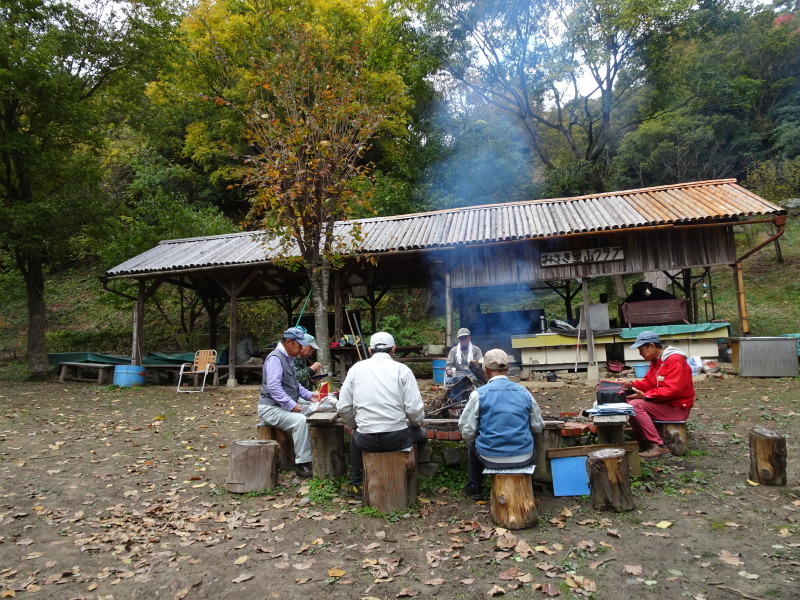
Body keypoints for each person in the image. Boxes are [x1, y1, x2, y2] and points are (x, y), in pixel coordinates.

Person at [337, 331, 427, 500]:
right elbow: (414, 410)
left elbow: (343, 407)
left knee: (356, 437)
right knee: (421, 435)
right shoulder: (403, 370)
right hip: (397, 438)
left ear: (370, 350)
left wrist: (355, 424)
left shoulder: (356, 369)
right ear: (393, 349)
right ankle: (409, 475)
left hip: (366, 439)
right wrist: (416, 423)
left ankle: (357, 484)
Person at [458, 349, 544, 501]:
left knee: (472, 440)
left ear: (485, 369)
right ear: (508, 368)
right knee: (532, 435)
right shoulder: (524, 392)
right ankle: (535, 480)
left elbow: (467, 431)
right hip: (524, 456)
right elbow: (538, 426)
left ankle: (475, 485)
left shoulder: (479, 394)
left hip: (490, 457)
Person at [257, 327, 320, 478]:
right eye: (299, 345)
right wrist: (291, 405)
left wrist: (310, 396)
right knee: (300, 421)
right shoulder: (275, 358)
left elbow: (295, 383)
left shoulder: (288, 358)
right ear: (288, 342)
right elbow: (274, 387)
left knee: (316, 410)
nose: (300, 350)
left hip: (282, 407)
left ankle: (316, 453)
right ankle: (302, 464)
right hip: (270, 409)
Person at [623, 331, 695, 459]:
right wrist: (630, 384)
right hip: (664, 404)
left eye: (641, 349)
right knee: (628, 401)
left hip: (677, 407)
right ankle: (643, 440)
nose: (640, 354)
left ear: (651, 346)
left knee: (635, 405)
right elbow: (647, 383)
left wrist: (645, 396)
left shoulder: (675, 360)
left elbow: (673, 390)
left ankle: (659, 446)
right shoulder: (657, 362)